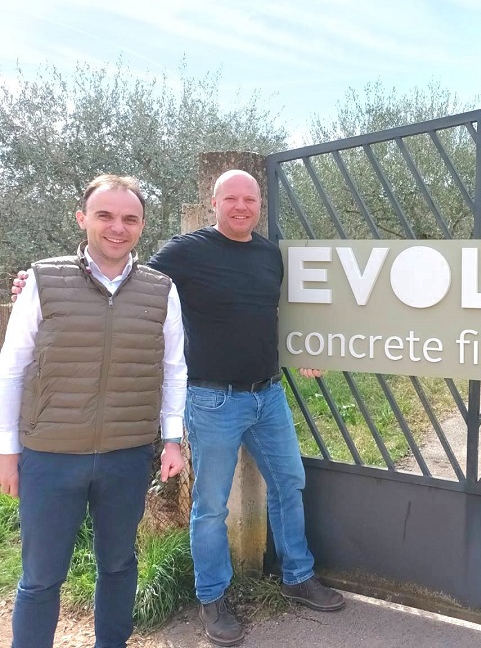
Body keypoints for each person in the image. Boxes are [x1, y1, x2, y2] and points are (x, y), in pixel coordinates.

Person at [145, 170, 343, 645]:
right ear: (213, 203)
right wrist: (47, 281)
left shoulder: (268, 254)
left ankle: (297, 576)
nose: (240, 207)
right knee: (210, 506)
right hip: (212, 398)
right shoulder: (186, 251)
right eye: (230, 198)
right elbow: (131, 281)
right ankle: (212, 597)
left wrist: (307, 348)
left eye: (249, 199)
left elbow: (284, 312)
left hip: (268, 394)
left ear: (259, 205)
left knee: (289, 483)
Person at [0, 175, 187, 648]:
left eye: (129, 219)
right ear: (82, 218)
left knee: (119, 565)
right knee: (41, 576)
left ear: (142, 226)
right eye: (105, 215)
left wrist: (172, 439)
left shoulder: (161, 290)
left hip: (127, 454)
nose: (117, 228)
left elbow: (173, 368)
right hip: (49, 455)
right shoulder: (43, 279)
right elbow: (12, 368)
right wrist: (7, 451)